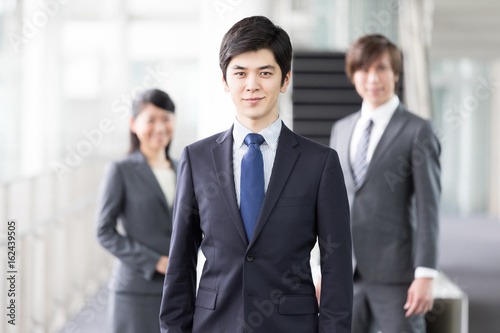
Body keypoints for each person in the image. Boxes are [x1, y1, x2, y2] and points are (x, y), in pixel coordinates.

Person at [159, 16, 353, 333]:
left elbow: (337, 267)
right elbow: (181, 261)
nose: (252, 85)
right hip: (214, 324)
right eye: (240, 73)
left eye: (265, 72)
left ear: (285, 79)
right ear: (225, 81)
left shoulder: (320, 163)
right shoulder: (196, 160)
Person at [329, 34, 441, 333]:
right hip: (345, 274)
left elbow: (428, 210)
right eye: (363, 69)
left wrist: (425, 274)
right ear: (353, 75)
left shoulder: (418, 130)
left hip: (397, 278)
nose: (372, 78)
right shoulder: (341, 130)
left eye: (381, 68)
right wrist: (320, 267)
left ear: (396, 73)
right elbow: (330, 206)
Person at [96, 88, 177, 333]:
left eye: (166, 119)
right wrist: (156, 262)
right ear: (133, 124)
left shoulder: (184, 167)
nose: (160, 127)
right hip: (136, 291)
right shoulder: (120, 170)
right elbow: (104, 231)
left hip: (179, 288)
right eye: (150, 120)